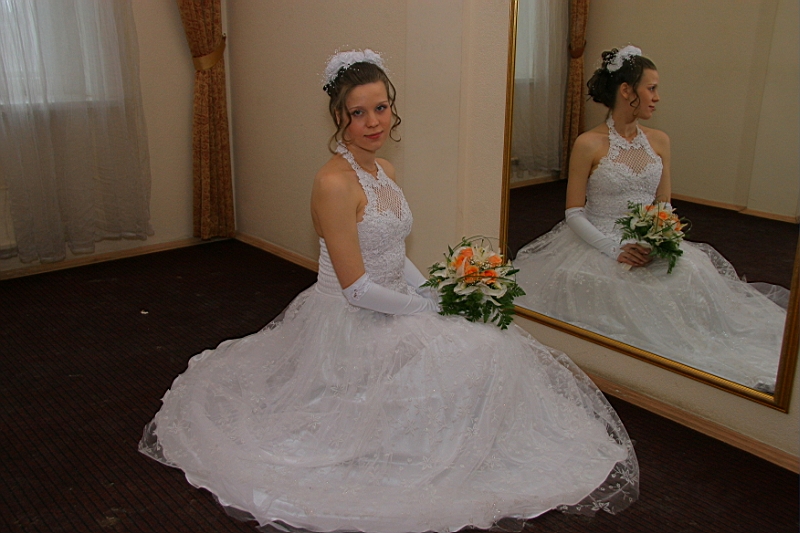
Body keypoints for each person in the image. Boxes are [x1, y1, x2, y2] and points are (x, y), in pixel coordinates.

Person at [139, 49, 638, 533]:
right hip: (353, 318)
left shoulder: (384, 171)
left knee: (486, 345)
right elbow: (357, 288)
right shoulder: (333, 183)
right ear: (338, 117)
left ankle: (460, 443)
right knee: (470, 352)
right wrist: (422, 307)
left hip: (395, 300)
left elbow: (392, 253)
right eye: (358, 113)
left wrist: (436, 290)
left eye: (381, 108)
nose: (373, 122)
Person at [513, 46, 786, 393]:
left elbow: (664, 204)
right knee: (624, 294)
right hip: (599, 239)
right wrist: (614, 249)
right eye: (651, 88)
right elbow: (573, 213)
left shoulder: (660, 141)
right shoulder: (588, 143)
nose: (657, 98)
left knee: (691, 276)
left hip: (649, 239)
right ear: (627, 90)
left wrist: (660, 239)